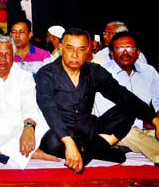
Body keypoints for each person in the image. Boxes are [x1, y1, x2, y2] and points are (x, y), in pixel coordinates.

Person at [36, 28, 159, 173]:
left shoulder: (95, 71)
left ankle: (87, 151)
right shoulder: (47, 73)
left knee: (127, 108)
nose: (75, 55)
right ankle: (97, 149)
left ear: (88, 50)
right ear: (61, 48)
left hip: (89, 129)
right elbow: (49, 109)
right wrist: (68, 142)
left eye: (81, 49)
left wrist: (154, 120)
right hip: (60, 131)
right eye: (70, 48)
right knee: (51, 143)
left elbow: (122, 95)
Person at [0, 35, 58, 171]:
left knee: (43, 122)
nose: (3, 59)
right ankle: (17, 155)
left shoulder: (23, 76)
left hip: (17, 131)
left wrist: (28, 128)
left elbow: (30, 105)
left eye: (8, 54)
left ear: (13, 56)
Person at [93, 32, 159, 163]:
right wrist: (147, 123)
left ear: (138, 53)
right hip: (118, 128)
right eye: (119, 48)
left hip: (149, 126)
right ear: (111, 54)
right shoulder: (102, 74)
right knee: (130, 134)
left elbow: (157, 100)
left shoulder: (149, 71)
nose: (125, 52)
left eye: (129, 48)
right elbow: (109, 114)